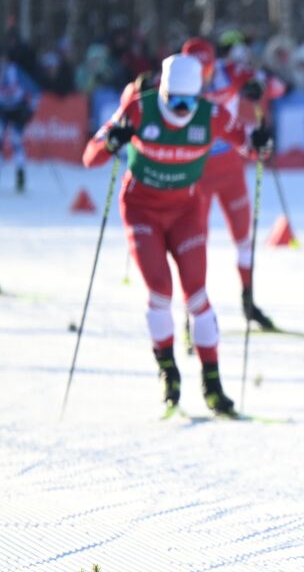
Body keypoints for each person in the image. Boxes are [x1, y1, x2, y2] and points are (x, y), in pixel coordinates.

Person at [82, 54, 273, 415]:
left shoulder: (210, 114)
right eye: (176, 101)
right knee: (159, 291)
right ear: (164, 92)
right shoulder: (139, 110)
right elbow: (90, 157)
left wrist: (261, 144)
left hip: (186, 212)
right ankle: (168, 372)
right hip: (142, 211)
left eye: (191, 100)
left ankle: (212, 383)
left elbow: (249, 143)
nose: (184, 109)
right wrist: (111, 143)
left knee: (197, 296)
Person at [182, 36, 286, 330]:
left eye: (206, 70)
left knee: (244, 238)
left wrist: (258, 86)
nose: (202, 79)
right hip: (197, 171)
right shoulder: (179, 84)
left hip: (229, 167)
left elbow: (274, 86)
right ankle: (192, 312)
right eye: (195, 72)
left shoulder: (230, 72)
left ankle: (248, 301)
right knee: (195, 243)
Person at [0, 57, 40, 192]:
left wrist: (31, 110)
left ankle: (20, 174)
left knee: (16, 140)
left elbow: (34, 90)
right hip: (3, 109)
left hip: (18, 109)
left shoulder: (15, 71)